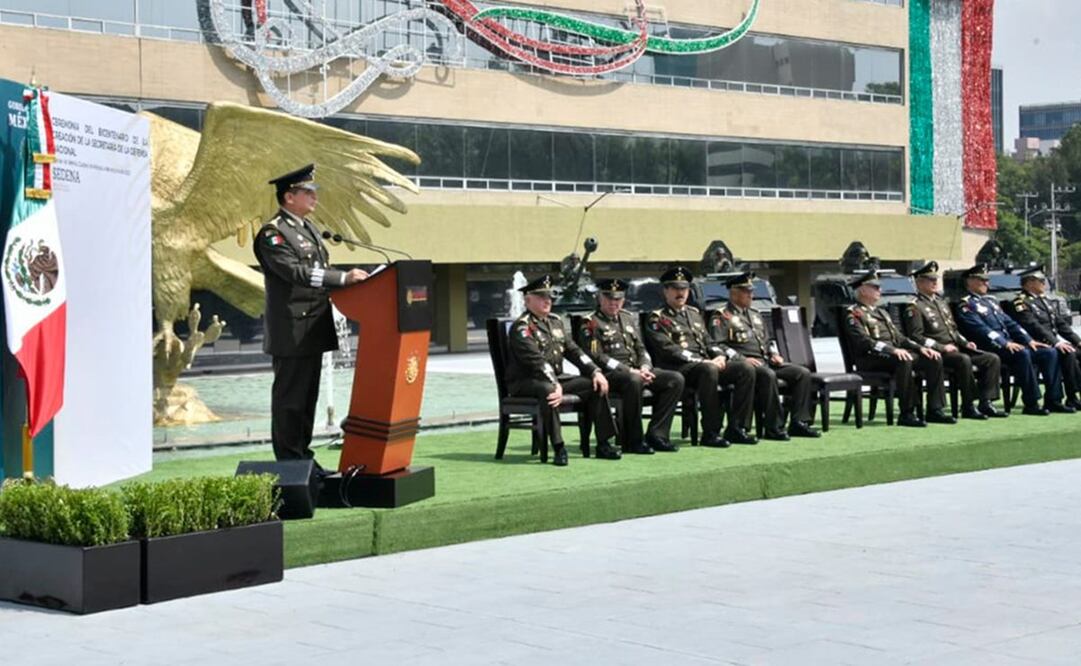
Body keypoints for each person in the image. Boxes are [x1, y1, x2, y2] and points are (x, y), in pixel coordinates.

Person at [254, 164, 369, 463]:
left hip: (313, 328)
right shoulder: (273, 233)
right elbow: (295, 272)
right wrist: (341, 279)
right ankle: (290, 462)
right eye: (308, 192)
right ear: (289, 197)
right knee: (290, 401)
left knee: (307, 400)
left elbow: (315, 270)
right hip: (291, 331)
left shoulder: (309, 230)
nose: (315, 197)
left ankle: (303, 457)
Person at [505, 274, 620, 467]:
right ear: (527, 300)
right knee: (549, 392)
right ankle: (559, 447)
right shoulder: (521, 328)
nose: (547, 300)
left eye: (549, 297)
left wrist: (595, 371)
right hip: (526, 382)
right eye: (542, 297)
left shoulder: (555, 322)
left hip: (554, 379)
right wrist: (554, 384)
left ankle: (603, 443)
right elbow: (537, 362)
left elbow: (575, 351)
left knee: (595, 385)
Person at [644, 266, 757, 447]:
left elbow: (709, 342)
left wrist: (720, 356)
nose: (680, 293)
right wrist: (702, 361)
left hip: (705, 364)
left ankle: (737, 428)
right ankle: (711, 432)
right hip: (678, 367)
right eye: (675, 288)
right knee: (709, 369)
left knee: (745, 369)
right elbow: (669, 349)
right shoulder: (657, 318)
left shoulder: (694, 314)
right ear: (665, 291)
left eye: (684, 289)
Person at [709, 272, 820, 440]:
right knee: (768, 375)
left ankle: (799, 422)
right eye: (746, 291)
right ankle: (773, 427)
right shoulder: (722, 315)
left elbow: (767, 340)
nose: (751, 295)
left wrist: (774, 353)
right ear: (734, 293)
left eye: (751, 291)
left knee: (801, 373)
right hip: (744, 364)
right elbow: (718, 344)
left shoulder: (755, 314)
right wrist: (741, 359)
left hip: (765, 361)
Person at [580, 278, 684, 454]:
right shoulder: (590, 322)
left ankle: (657, 434)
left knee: (675, 379)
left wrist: (644, 367)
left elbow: (640, 349)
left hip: (637, 370)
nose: (614, 303)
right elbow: (598, 356)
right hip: (611, 374)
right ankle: (633, 440)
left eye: (618, 299)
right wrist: (629, 370)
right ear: (600, 298)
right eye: (609, 299)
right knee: (633, 380)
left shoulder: (627, 318)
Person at [955, 263, 1071, 416]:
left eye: (987, 280)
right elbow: (981, 330)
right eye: (982, 280)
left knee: (1049, 353)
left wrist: (1029, 340)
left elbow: (1011, 324)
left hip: (1010, 344)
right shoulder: (966, 304)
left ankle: (1054, 399)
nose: (986, 283)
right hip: (990, 346)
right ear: (970, 282)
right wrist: (1005, 343)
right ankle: (1031, 402)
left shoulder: (990, 302)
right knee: (1023, 354)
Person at [842, 271, 949, 427]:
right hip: (871, 358)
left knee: (933, 358)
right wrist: (892, 350)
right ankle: (907, 413)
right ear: (863, 290)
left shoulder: (881, 312)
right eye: (875, 287)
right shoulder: (854, 313)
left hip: (891, 355)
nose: (879, 290)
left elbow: (900, 338)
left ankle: (935, 409)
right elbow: (864, 342)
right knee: (903, 360)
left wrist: (920, 349)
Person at [902, 261, 1005, 419]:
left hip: (955, 347)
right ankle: (968, 405)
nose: (935, 282)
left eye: (935, 279)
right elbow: (916, 336)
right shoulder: (915, 306)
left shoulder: (942, 303)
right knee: (963, 360)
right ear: (919, 282)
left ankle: (986, 402)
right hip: (937, 351)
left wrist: (965, 343)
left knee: (991, 359)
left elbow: (953, 331)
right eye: (930, 280)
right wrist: (941, 347)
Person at [1008, 265, 1081, 411]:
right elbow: (1034, 326)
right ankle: (1054, 400)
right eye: (1040, 280)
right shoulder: (1020, 302)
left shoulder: (1044, 301)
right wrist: (1056, 343)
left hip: (1052, 343)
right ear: (1029, 282)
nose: (1044, 283)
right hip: (1036, 344)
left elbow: (1061, 324)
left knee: (1076, 350)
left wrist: (1077, 340)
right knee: (1068, 353)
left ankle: (1073, 397)